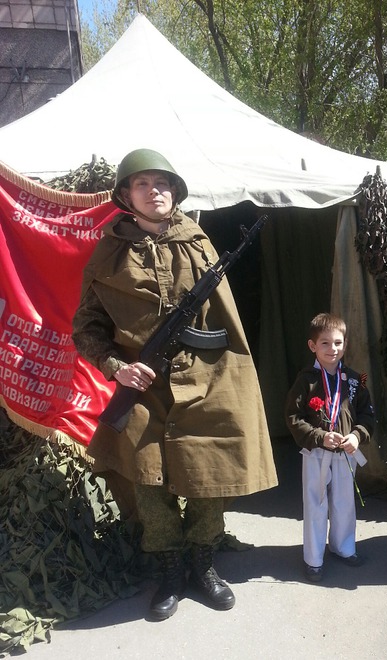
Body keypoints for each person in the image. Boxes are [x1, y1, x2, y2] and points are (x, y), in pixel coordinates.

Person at [72, 148, 278, 620]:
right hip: (143, 387)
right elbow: (87, 328)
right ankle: (170, 570)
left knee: (211, 474)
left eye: (162, 183)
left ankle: (202, 563)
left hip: (207, 379)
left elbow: (226, 319)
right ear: (126, 195)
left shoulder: (198, 243)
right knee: (148, 480)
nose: (154, 191)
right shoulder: (108, 253)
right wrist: (115, 367)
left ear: (175, 191)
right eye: (143, 184)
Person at [285, 312, 374, 582]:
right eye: (325, 343)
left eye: (337, 342)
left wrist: (357, 436)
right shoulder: (306, 379)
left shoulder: (355, 380)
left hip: (346, 452)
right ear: (312, 346)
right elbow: (293, 417)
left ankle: (344, 548)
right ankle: (313, 559)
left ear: (345, 345)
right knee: (316, 504)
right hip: (316, 453)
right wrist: (319, 436)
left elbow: (367, 415)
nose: (332, 348)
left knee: (344, 503)